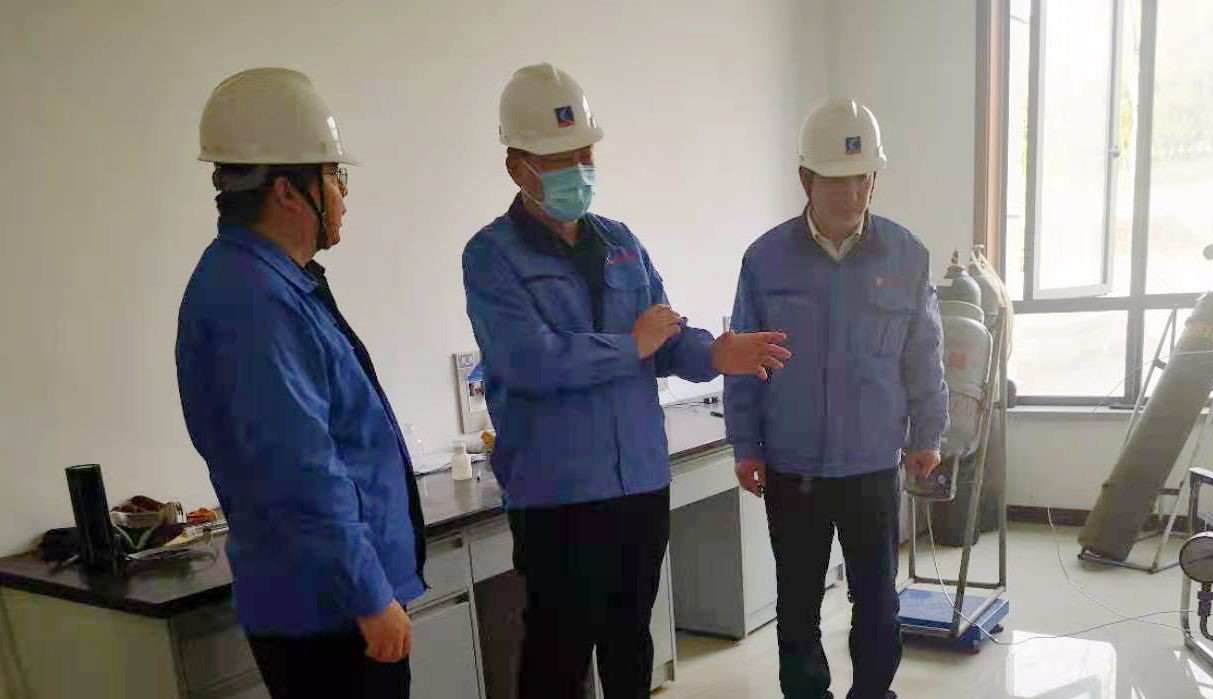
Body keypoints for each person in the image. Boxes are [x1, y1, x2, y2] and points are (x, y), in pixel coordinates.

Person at [462, 63, 792, 699]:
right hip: (557, 495)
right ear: (517, 167)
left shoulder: (621, 244)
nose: (578, 170)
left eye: (585, 155)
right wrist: (629, 345)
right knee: (557, 655)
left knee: (630, 642)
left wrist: (717, 352)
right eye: (558, 159)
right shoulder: (492, 256)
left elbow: (667, 337)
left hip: (638, 483)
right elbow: (529, 361)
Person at [176, 68, 426, 698]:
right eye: (334, 176)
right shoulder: (253, 302)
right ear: (289, 191)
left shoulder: (274, 283)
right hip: (329, 612)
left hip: (335, 600)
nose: (343, 193)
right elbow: (299, 469)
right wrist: (369, 596)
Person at [724, 97, 949, 699]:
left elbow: (923, 353)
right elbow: (744, 362)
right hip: (791, 463)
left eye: (862, 179)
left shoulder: (906, 254)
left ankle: (873, 692)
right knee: (797, 599)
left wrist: (928, 435)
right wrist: (745, 444)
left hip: (872, 463)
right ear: (806, 179)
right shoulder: (765, 260)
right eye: (836, 180)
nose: (852, 194)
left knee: (876, 597)